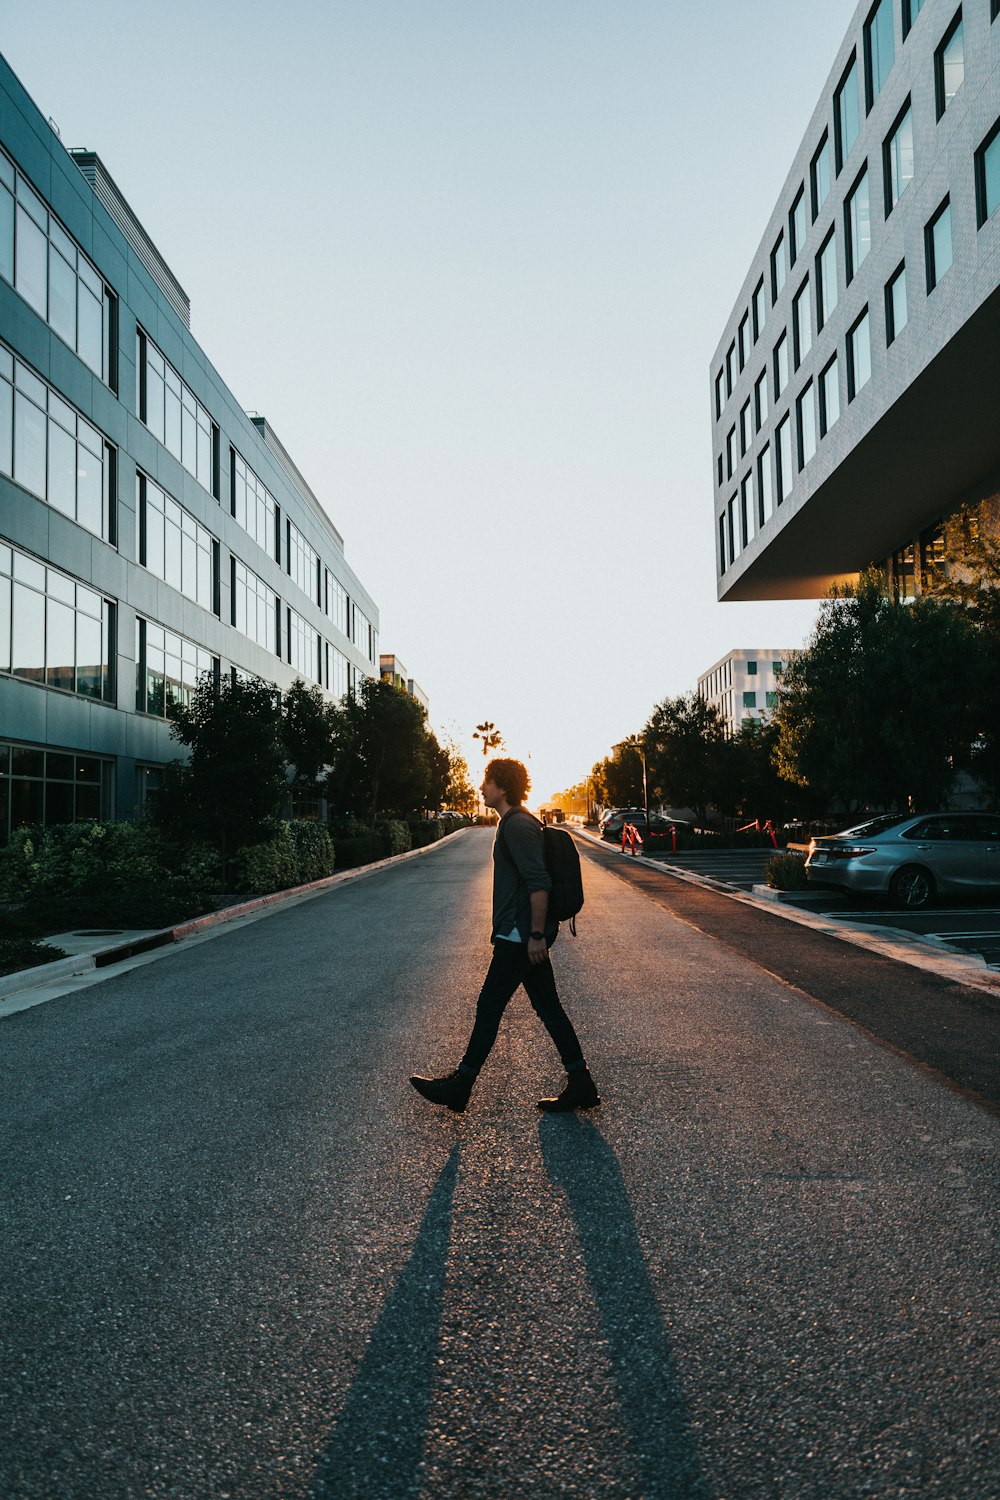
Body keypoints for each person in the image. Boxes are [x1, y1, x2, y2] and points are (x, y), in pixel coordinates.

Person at [410, 757, 600, 1114]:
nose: (481, 787)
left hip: (520, 936)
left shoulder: (518, 826)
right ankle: (581, 1083)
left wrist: (536, 934)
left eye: (486, 781)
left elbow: (539, 882)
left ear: (501, 785)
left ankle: (461, 1085)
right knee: (548, 1008)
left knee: (489, 1007)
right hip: (521, 934)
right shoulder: (514, 823)